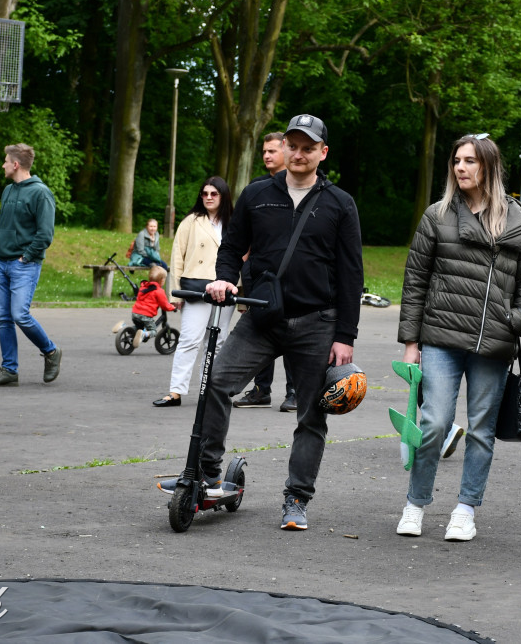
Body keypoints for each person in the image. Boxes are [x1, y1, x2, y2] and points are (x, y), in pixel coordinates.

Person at [195, 114, 364, 531]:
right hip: (261, 317)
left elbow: (351, 274)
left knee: (311, 414)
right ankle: (209, 475)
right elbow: (233, 248)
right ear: (284, 149)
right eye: (293, 145)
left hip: (317, 323)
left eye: (309, 147)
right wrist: (223, 277)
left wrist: (345, 336)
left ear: (322, 153)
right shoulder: (256, 195)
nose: (299, 153)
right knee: (217, 381)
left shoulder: (340, 204)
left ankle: (296, 498)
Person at [394, 134, 521, 542]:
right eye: (457, 160)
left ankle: (465, 510)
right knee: (435, 422)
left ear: (488, 167)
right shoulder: (436, 216)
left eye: (470, 161)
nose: (460, 168)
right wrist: (411, 343)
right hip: (440, 337)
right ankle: (415, 503)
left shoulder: (517, 221)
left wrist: (514, 320)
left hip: (493, 344)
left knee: (481, 430)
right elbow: (414, 282)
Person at [0, 143, 63, 387]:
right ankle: (9, 369)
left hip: (23, 265)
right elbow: (2, 229)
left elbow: (45, 234)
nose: (3, 164)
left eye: (6, 161)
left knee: (19, 315)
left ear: (15, 164)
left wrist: (26, 257)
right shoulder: (8, 191)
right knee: (4, 318)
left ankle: (50, 351)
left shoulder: (41, 193)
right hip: (2, 264)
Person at [152, 177, 235, 407]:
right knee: (189, 339)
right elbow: (177, 257)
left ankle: (210, 390)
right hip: (196, 288)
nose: (208, 197)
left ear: (223, 196)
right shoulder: (191, 221)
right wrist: (174, 293)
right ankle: (176, 391)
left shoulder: (234, 223)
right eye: (205, 193)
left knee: (218, 342)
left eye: (214, 194)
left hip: (226, 287)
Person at [234, 131, 298, 412]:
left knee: (290, 332)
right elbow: (241, 232)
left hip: (290, 278)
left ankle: (294, 390)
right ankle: (261, 389)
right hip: (258, 275)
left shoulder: (297, 188)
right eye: (264, 151)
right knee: (261, 329)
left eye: (272, 150)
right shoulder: (257, 188)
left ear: (286, 150)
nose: (267, 156)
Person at [131, 265, 176, 348]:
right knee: (153, 331)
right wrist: (173, 307)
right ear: (162, 281)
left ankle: (125, 329)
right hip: (145, 316)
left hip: (135, 313)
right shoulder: (159, 291)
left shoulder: (143, 287)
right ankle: (144, 334)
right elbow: (164, 305)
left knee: (138, 327)